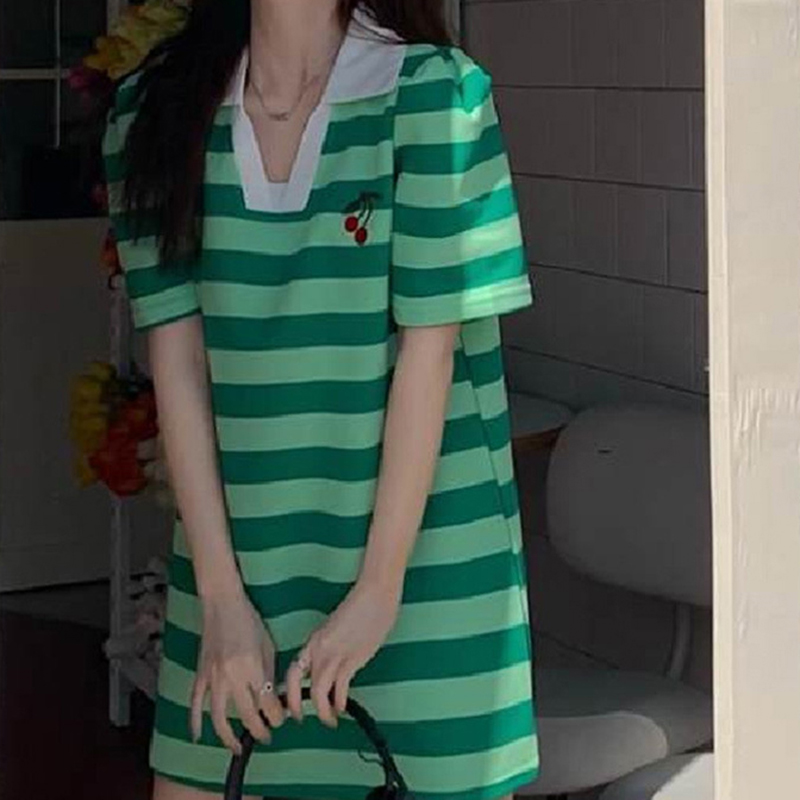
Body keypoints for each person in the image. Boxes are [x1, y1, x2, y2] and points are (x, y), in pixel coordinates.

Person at [103, 1, 539, 798]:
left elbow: (428, 358)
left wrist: (376, 594)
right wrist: (222, 601)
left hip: (425, 580)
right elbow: (178, 367)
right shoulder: (150, 113)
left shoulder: (434, 97)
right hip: (233, 590)